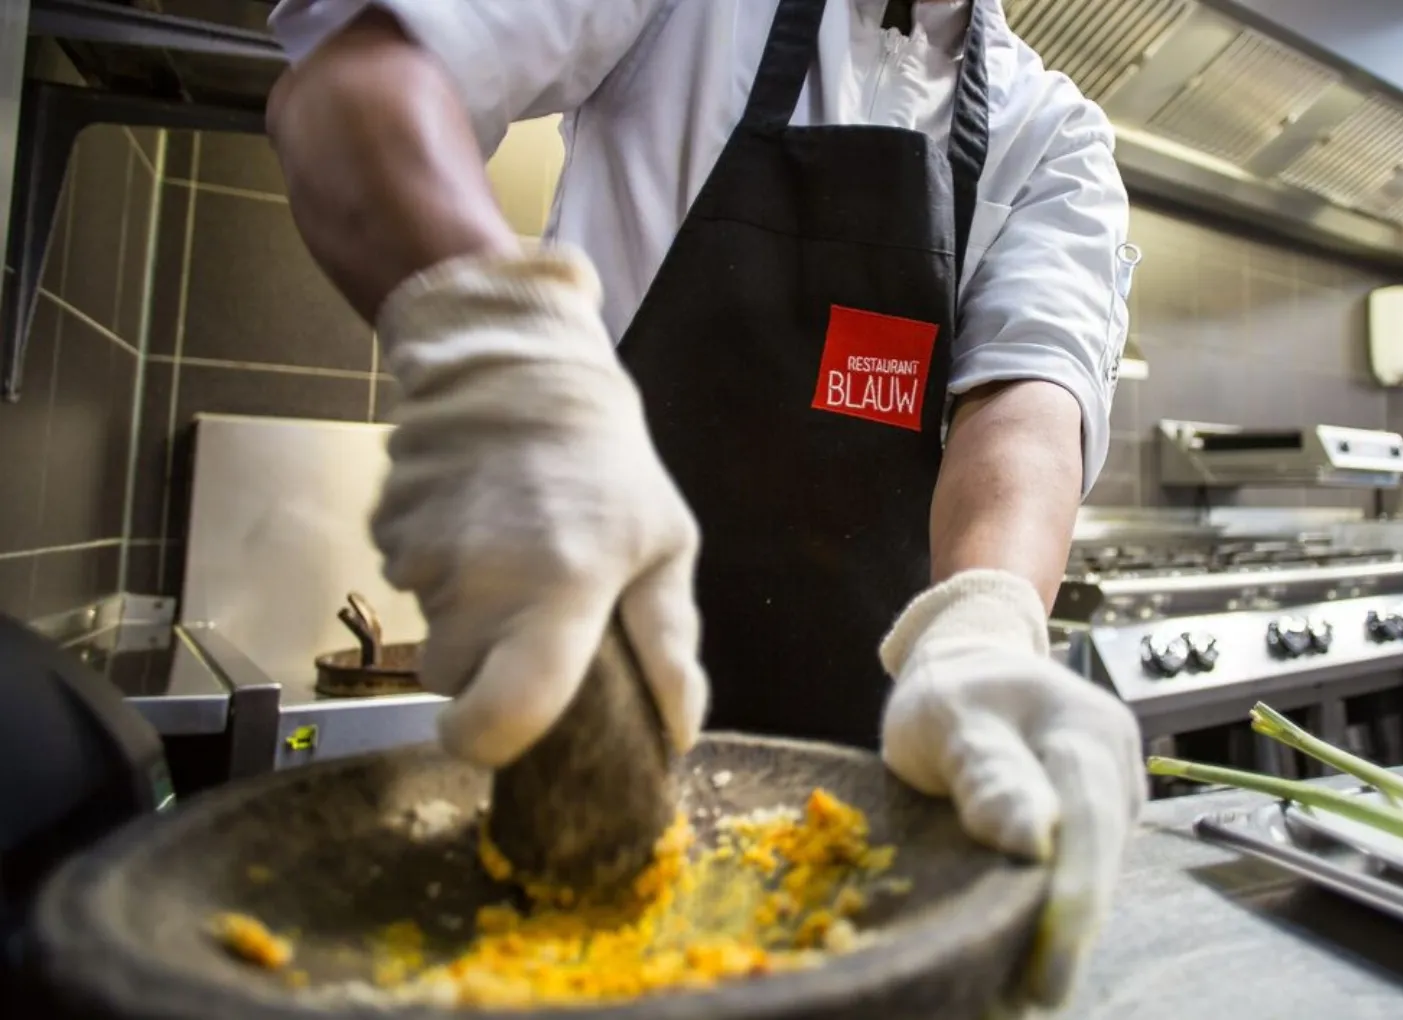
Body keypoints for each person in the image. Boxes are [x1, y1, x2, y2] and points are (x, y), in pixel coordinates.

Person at [264, 0, 1144, 1006]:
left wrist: (986, 620)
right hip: (589, 748)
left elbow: (1025, 402)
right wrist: (510, 375)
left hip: (872, 810)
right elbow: (358, 87)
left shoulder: (1053, 132)